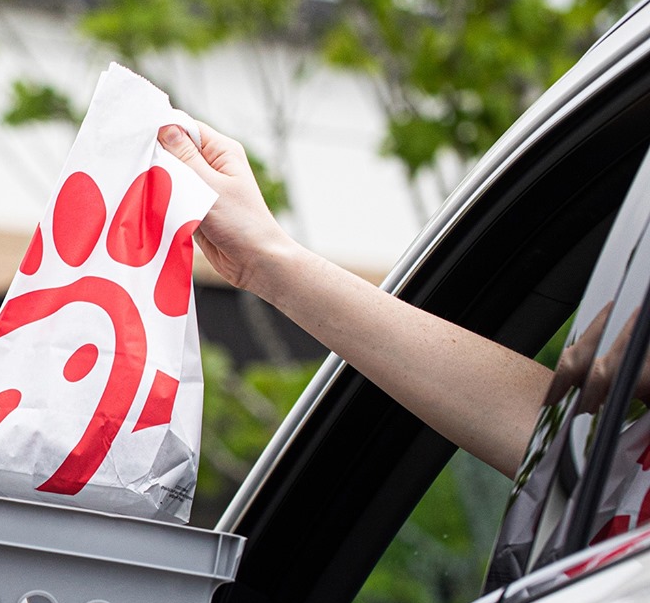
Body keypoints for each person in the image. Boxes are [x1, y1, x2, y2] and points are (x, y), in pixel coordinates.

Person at [158, 121, 555, 480]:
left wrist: (263, 260)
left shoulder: (596, 451)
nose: (585, 354)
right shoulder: (593, 444)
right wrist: (262, 260)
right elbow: (550, 428)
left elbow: (551, 429)